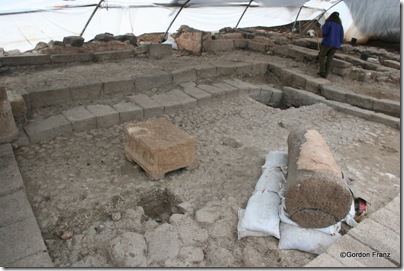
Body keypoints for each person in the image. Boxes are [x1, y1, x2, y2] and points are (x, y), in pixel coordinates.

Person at [317, 12, 344, 78]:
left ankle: (322, 71)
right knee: (330, 58)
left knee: (322, 56)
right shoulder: (340, 25)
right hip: (336, 44)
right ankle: (326, 73)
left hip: (327, 42)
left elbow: (325, 32)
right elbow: (341, 36)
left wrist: (323, 33)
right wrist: (339, 43)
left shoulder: (328, 23)